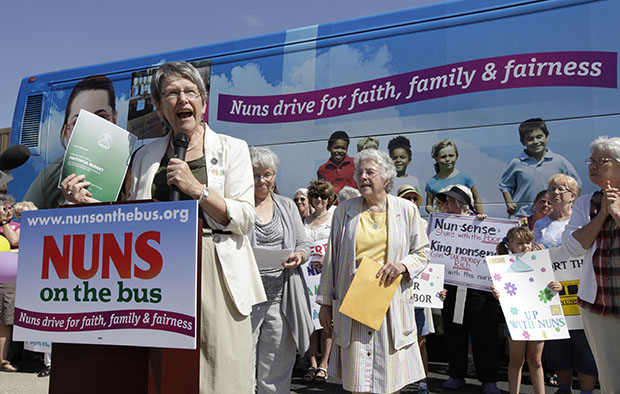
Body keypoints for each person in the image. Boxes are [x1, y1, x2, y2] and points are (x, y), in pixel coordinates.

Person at [63, 61, 266, 394]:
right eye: (172, 93)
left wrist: (197, 189)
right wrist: (85, 206)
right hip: (155, 270)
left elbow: (245, 218)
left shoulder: (233, 149)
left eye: (190, 92)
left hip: (213, 265)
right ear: (158, 107)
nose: (182, 99)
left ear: (203, 102)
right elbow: (128, 216)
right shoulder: (145, 155)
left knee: (220, 371)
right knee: (161, 370)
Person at [317, 149, 429, 394]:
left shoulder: (406, 210)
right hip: (354, 303)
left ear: (387, 178)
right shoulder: (344, 211)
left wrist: (402, 266)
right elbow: (331, 261)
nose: (363, 177)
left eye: (370, 172)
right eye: (360, 172)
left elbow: (422, 252)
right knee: (358, 382)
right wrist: (325, 304)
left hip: (390, 307)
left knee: (389, 383)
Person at [249, 147, 314, 394]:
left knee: (276, 366)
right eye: (256, 174)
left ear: (275, 175)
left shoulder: (287, 205)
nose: (262, 180)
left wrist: (299, 256)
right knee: (242, 362)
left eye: (267, 174)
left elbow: (303, 244)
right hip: (246, 299)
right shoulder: (238, 205)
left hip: (281, 298)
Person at [561, 136, 620, 394]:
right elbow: (573, 246)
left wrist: (617, 213)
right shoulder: (586, 203)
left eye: (601, 161)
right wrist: (603, 215)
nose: (592, 166)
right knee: (611, 381)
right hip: (600, 309)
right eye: (591, 161)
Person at [533, 174, 598, 394]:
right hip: (552, 293)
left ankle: (587, 391)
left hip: (582, 291)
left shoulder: (583, 220)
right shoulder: (540, 225)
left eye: (562, 188)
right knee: (558, 344)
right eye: (552, 188)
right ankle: (564, 388)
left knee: (584, 344)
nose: (556, 192)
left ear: (573, 195)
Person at [435, 185, 501, 394]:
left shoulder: (481, 223)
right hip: (452, 288)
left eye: (450, 201)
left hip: (479, 291)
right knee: (454, 332)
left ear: (463, 204)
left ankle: (488, 379)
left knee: (485, 334)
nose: (446, 205)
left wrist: (482, 224)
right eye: (445, 201)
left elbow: (499, 247)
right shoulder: (441, 225)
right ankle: (456, 374)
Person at [24, 75, 118, 209]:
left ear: (114, 119)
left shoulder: (136, 165)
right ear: (66, 130)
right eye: (78, 121)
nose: (91, 128)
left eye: (101, 117)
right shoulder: (51, 174)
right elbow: (24, 218)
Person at [493, 227, 561, 394]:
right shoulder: (502, 264)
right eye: (520, 243)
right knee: (517, 361)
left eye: (528, 243)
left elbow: (551, 283)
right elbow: (503, 292)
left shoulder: (540, 261)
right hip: (517, 318)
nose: (525, 247)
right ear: (509, 245)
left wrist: (556, 286)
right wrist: (498, 294)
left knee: (536, 360)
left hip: (538, 317)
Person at [397, 183, 445, 394]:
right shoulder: (393, 225)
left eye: (414, 198)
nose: (412, 202)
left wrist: (438, 287)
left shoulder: (427, 225)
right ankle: (399, 381)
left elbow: (437, 257)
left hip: (421, 293)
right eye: (407, 198)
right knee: (397, 340)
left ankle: (423, 382)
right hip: (397, 292)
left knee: (421, 340)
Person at [500, 118, 581, 218]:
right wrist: (509, 202)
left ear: (547, 136)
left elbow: (576, 184)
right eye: (530, 139)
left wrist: (570, 205)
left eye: (539, 137)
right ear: (523, 142)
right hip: (522, 217)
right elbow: (505, 185)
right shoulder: (517, 163)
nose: (536, 142)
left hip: (551, 217)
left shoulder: (559, 161)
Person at [302, 179, 336, 385]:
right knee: (311, 323)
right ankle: (312, 362)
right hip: (308, 277)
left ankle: (324, 364)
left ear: (329, 199)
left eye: (323, 196)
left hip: (328, 276)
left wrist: (327, 259)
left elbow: (339, 244)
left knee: (326, 321)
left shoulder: (334, 217)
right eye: (315, 196)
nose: (319, 200)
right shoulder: (305, 220)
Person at [425, 139, 483, 214]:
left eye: (451, 156)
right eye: (443, 157)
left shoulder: (465, 177)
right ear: (436, 159)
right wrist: (436, 214)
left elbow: (476, 197)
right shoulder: (431, 182)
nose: (447, 159)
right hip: (443, 223)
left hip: (463, 221)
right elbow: (428, 205)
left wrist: (480, 216)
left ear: (456, 156)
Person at [0, 194, 17, 373]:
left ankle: (2, 360)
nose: (7, 211)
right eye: (3, 208)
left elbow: (15, 241)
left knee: (4, 320)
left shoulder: (17, 226)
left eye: (9, 208)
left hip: (7, 282)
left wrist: (4, 223)